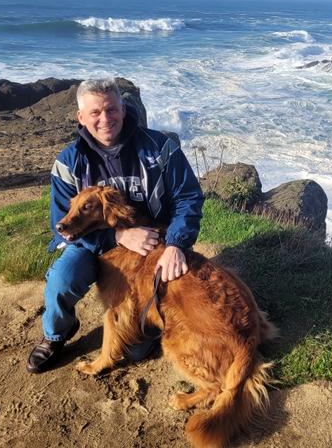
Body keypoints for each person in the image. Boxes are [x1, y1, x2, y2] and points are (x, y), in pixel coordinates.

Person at [26, 78, 204, 373]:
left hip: (151, 246)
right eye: (95, 113)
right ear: (81, 118)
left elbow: (188, 197)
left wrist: (176, 244)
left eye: (111, 109)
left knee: (136, 350)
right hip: (90, 244)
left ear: (124, 109)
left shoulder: (160, 147)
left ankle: (144, 323)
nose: (105, 119)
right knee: (62, 279)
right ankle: (56, 334)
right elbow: (62, 224)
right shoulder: (68, 162)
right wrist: (118, 235)